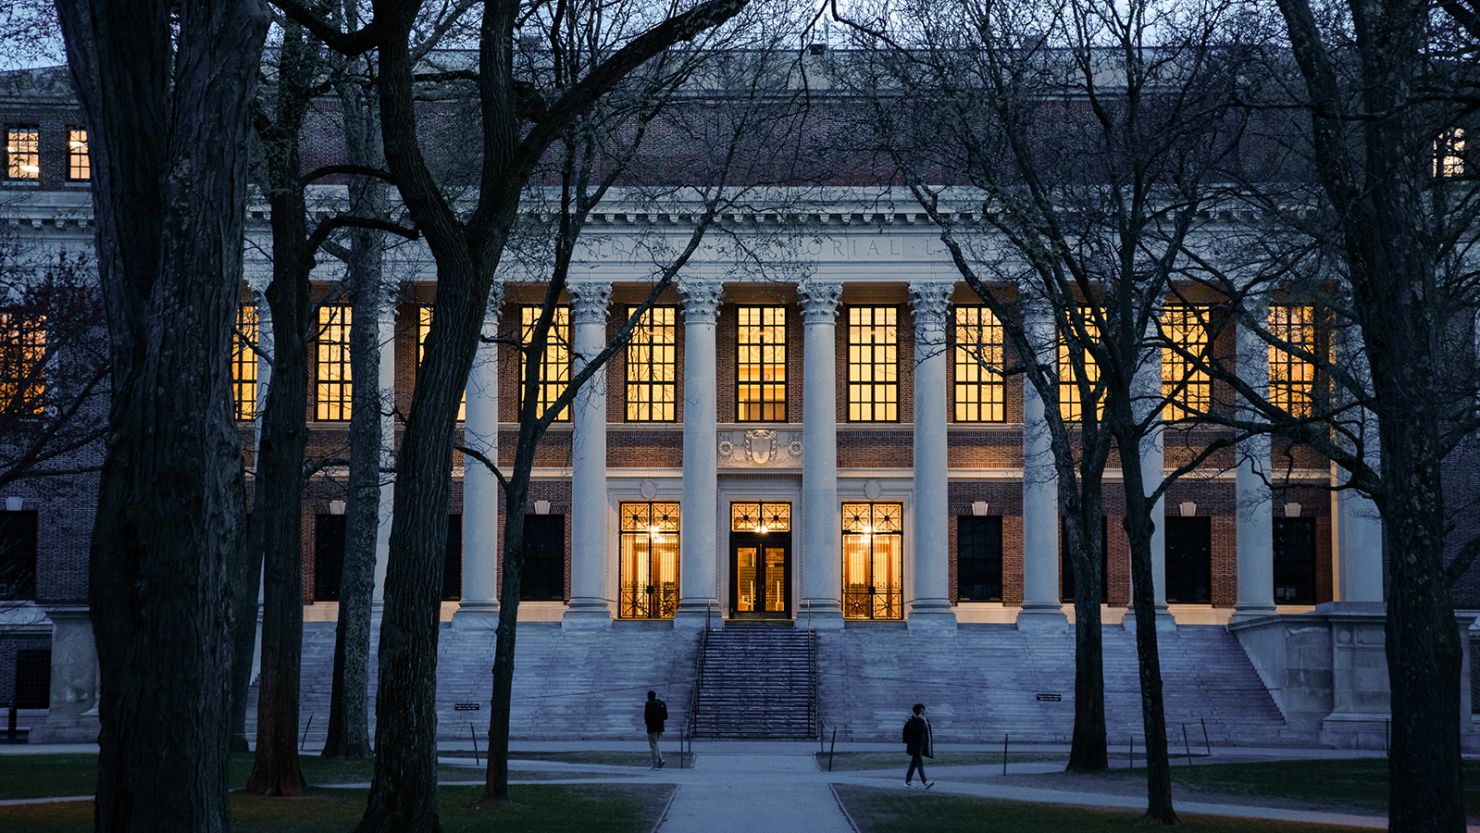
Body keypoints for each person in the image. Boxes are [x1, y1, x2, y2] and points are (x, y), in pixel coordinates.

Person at [902, 703, 934, 788]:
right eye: (921, 711)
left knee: (913, 764)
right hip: (914, 747)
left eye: (923, 710)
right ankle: (925, 782)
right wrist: (921, 721)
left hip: (920, 746)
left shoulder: (923, 720)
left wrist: (924, 721)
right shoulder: (912, 721)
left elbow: (927, 732)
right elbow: (914, 732)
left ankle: (907, 782)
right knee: (920, 764)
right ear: (917, 711)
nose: (923, 712)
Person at [644, 690, 668, 769]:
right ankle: (661, 759)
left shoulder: (648, 704)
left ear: (648, 697)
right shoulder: (660, 703)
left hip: (652, 727)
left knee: (653, 745)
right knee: (655, 743)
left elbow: (647, 716)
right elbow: (665, 716)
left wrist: (647, 724)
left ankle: (656, 763)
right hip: (660, 727)